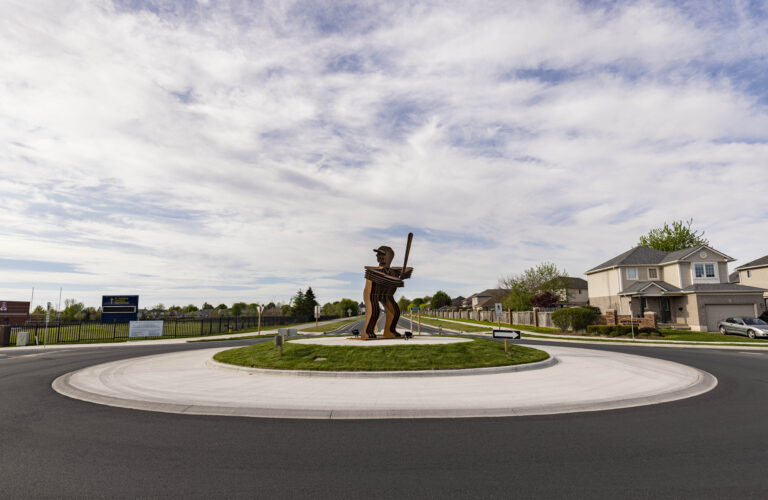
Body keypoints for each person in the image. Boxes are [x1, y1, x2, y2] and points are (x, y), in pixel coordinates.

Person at [362, 245, 412, 339]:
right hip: (372, 294)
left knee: (395, 311)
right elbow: (383, 277)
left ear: (389, 256)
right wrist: (397, 278)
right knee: (374, 311)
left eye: (382, 254)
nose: (378, 256)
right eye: (378, 254)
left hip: (386, 294)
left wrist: (403, 274)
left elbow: (408, 270)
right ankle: (367, 332)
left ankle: (389, 331)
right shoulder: (373, 271)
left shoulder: (394, 272)